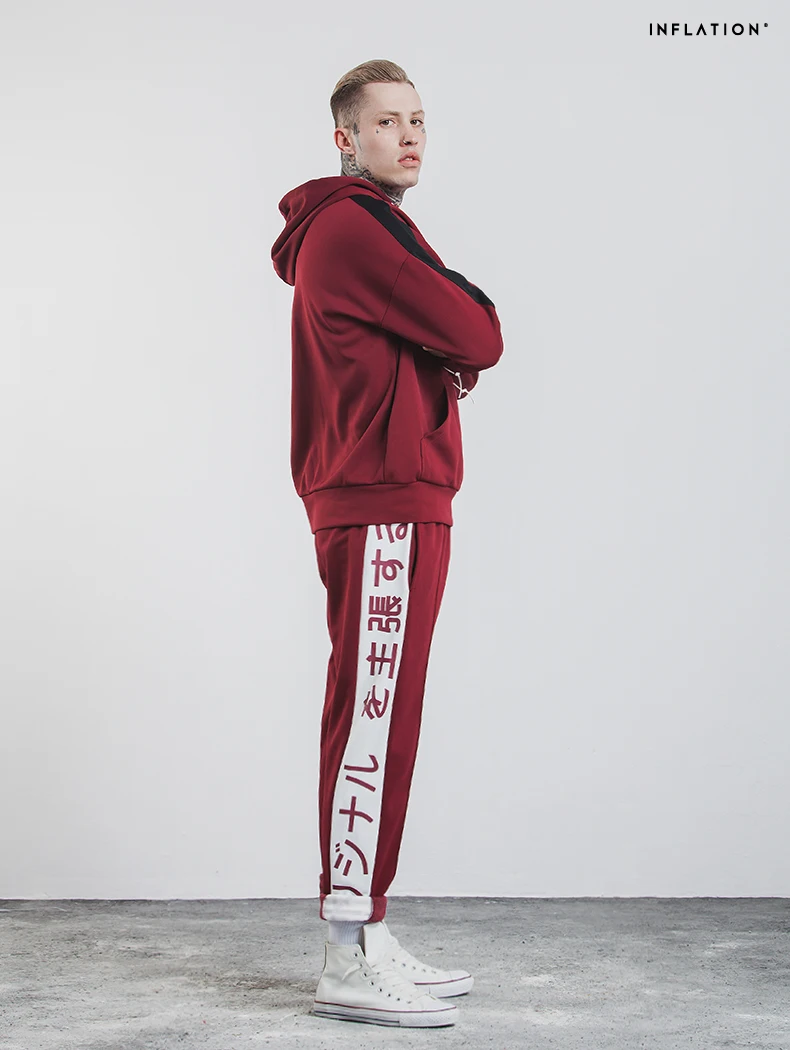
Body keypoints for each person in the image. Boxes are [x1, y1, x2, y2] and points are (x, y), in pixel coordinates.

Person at [271, 57, 504, 1028]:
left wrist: (441, 332)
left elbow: (452, 329)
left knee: (385, 716)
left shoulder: (371, 227)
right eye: (385, 123)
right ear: (345, 139)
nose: (408, 137)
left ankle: (366, 930)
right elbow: (479, 331)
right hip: (381, 499)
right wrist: (450, 335)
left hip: (390, 494)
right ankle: (344, 952)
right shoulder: (352, 229)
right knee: (373, 720)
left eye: (417, 121)